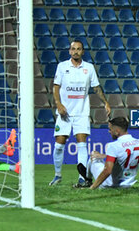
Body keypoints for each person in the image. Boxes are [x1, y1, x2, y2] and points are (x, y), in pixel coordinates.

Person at [49, 39, 111, 186]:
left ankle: (82, 177)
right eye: (73, 49)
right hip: (64, 114)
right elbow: (56, 87)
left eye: (78, 49)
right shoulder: (62, 67)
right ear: (69, 51)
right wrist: (58, 104)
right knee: (59, 145)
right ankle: (57, 175)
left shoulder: (89, 68)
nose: (76, 51)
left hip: (82, 113)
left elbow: (96, 87)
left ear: (82, 51)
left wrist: (106, 102)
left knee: (82, 144)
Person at [75, 117, 139, 189]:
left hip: (111, 184)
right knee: (99, 157)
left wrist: (93, 187)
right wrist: (104, 156)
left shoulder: (113, 146)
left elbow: (107, 171)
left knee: (94, 155)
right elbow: (125, 154)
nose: (109, 131)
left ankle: (87, 180)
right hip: (129, 183)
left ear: (117, 131)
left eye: (110, 129)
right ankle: (87, 178)